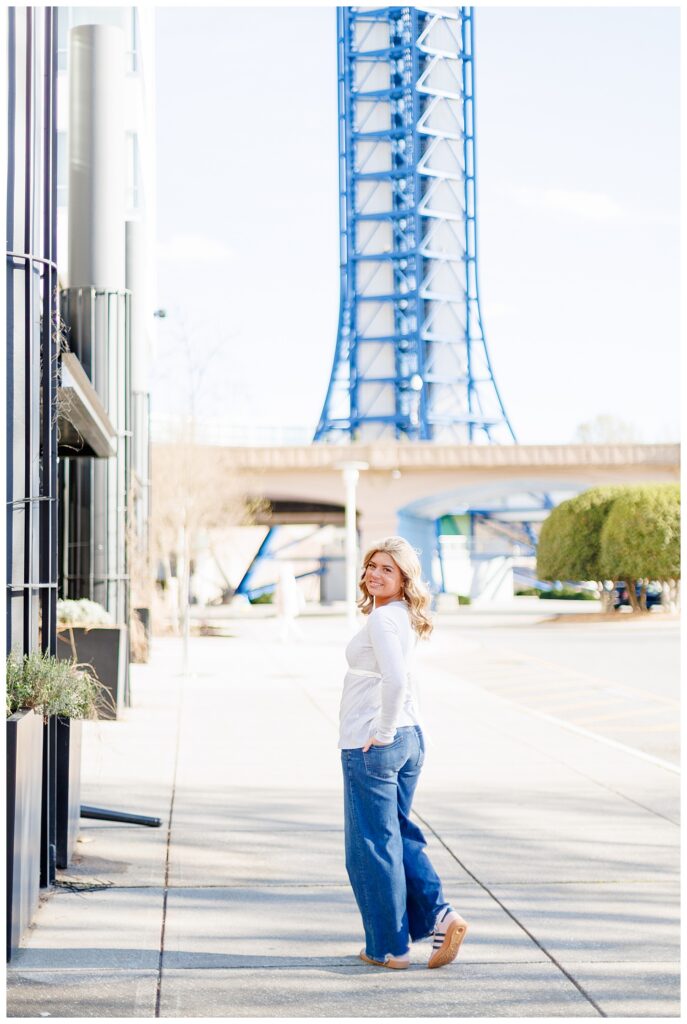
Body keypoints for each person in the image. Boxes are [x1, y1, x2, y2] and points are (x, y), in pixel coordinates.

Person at [339, 536, 468, 970]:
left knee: (371, 849)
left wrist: (382, 730)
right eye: (372, 565)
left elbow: (394, 680)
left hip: (375, 743)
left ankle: (389, 948)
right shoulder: (400, 616)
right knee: (399, 835)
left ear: (404, 578)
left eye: (387, 569)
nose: (375, 574)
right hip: (409, 739)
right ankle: (440, 914)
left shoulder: (382, 621)